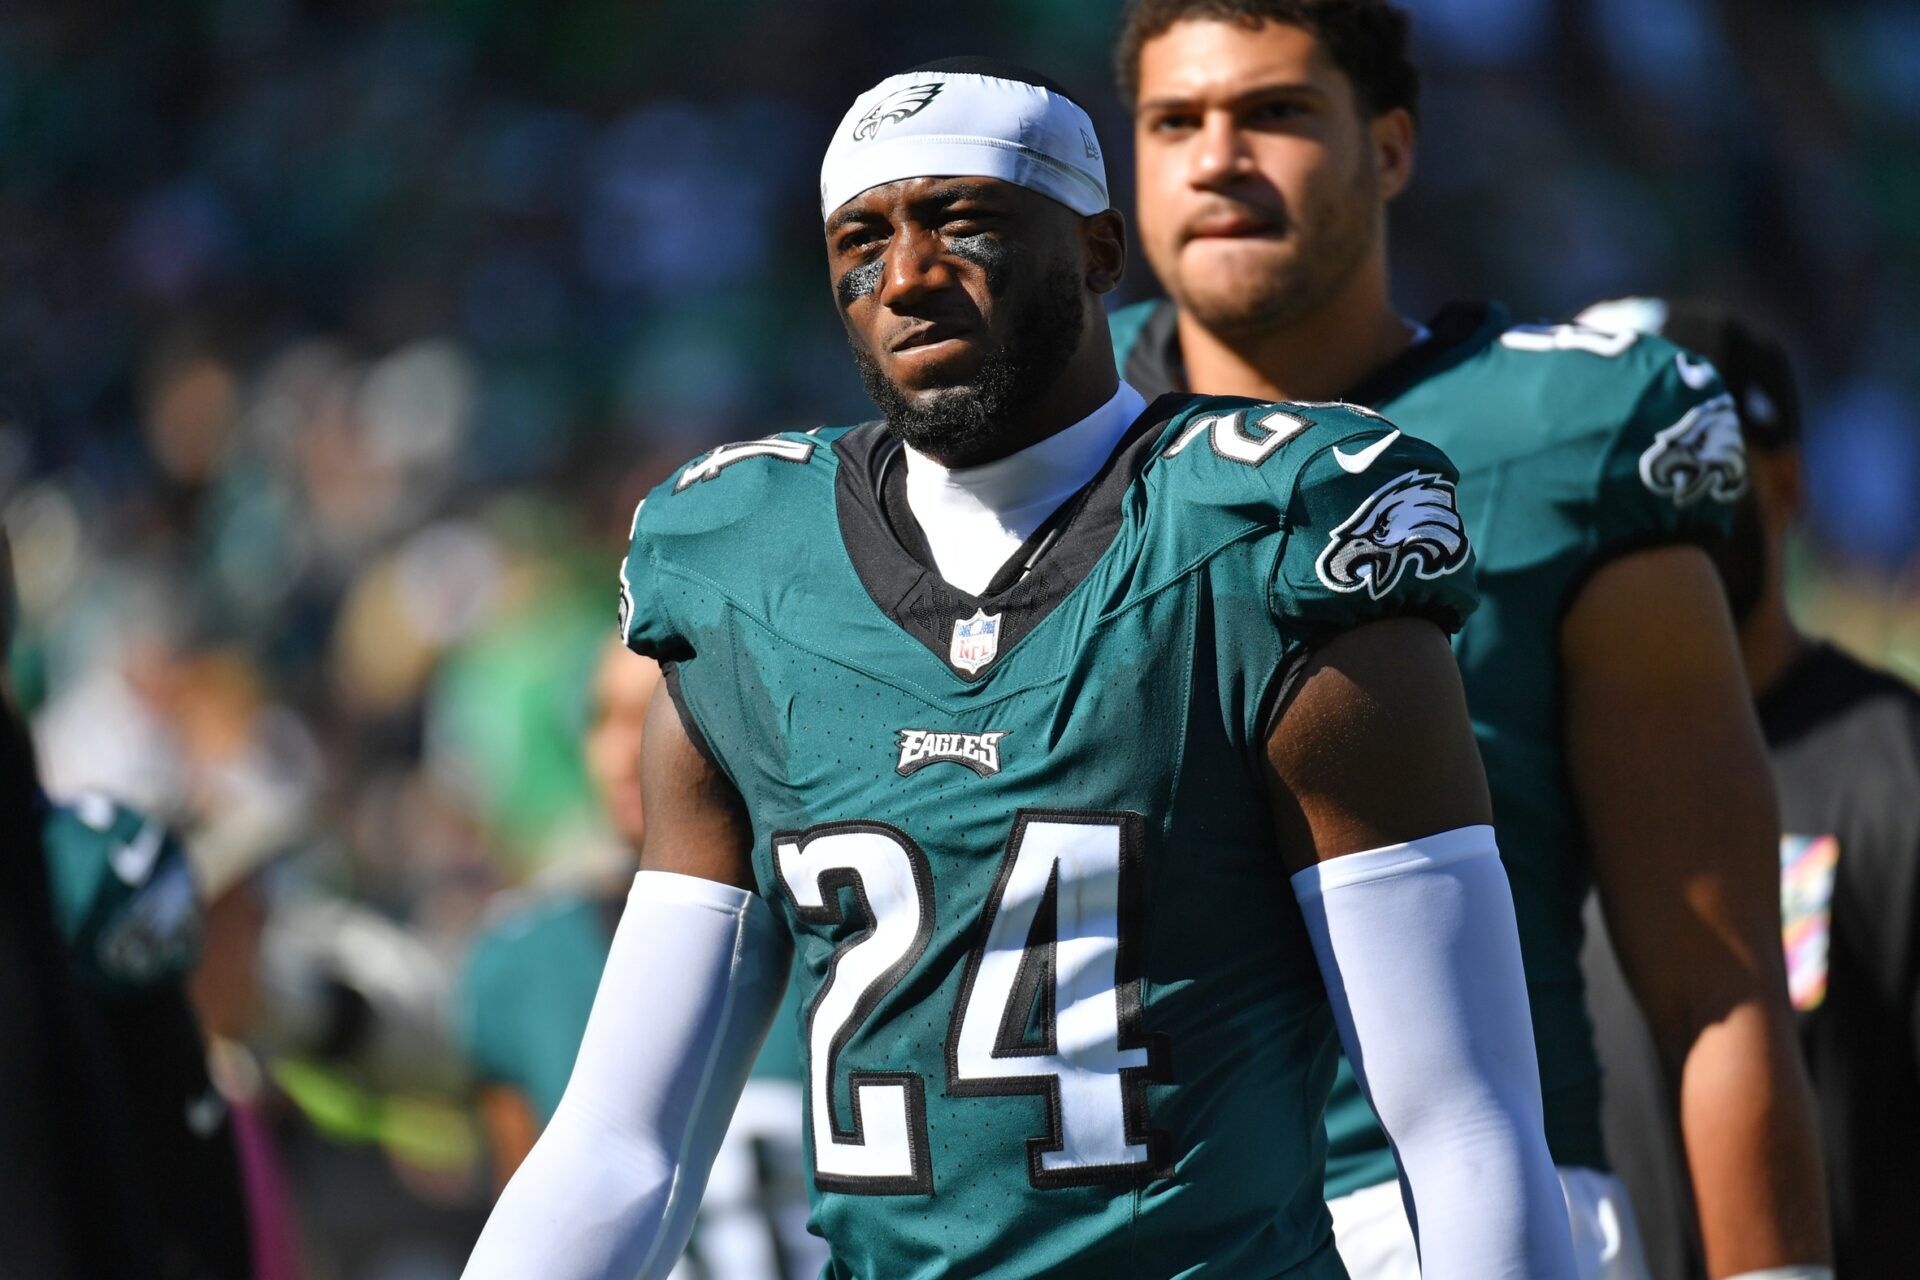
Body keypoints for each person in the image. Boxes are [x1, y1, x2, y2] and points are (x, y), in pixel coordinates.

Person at [466, 57, 1578, 1279]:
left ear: (1101, 251)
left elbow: (1464, 1124)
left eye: (966, 221)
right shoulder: (739, 569)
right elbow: (623, 1141)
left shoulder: (1268, 534)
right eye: (862, 237)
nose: (907, 277)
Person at [1108, 4, 1831, 1277]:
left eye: (1275, 112)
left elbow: (1714, 976)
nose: (1217, 157)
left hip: (1453, 1218)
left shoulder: (1577, 430)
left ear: (1390, 149)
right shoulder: (1043, 435)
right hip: (1108, 1217)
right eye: (1176, 121)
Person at [1576, 298, 1920, 1280]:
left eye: (1693, 463)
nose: (1651, 500)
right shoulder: (1515, 773)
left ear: (1785, 483)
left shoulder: (1896, 770)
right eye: (1611, 463)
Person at [458, 638, 819, 1280]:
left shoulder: (841, 931)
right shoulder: (522, 963)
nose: (630, 753)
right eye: (606, 719)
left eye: (658, 714)